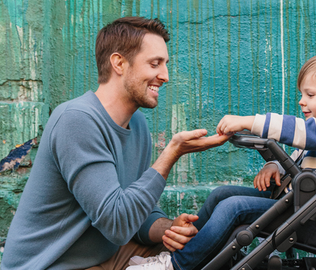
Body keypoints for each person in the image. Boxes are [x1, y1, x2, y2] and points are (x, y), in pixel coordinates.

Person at [0, 17, 230, 270]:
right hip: (52, 263)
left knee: (198, 251)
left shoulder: (138, 123)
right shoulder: (76, 120)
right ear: (119, 63)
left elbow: (135, 212)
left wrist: (167, 228)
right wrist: (171, 154)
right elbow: (118, 224)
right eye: (155, 64)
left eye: (165, 64)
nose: (165, 76)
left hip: (105, 255)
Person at [128, 51, 316, 270]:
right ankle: (183, 252)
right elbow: (296, 160)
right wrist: (273, 165)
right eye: (302, 94)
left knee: (233, 207)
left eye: (310, 95)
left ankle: (177, 265)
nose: (302, 101)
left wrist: (249, 121)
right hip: (289, 201)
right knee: (222, 194)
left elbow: (298, 131)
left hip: (304, 213)